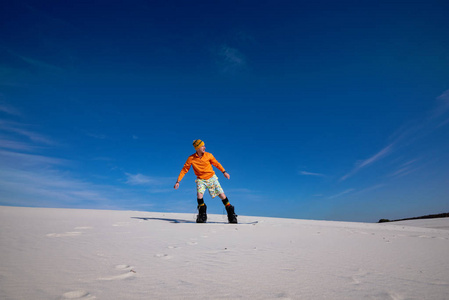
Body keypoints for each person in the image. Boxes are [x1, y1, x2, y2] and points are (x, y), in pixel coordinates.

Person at [174, 139, 237, 223]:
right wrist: (178, 181)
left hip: (211, 178)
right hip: (200, 179)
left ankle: (231, 214)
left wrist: (224, 172)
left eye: (204, 145)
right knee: (199, 195)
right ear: (197, 148)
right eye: (202, 146)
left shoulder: (208, 155)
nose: (204, 147)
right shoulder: (191, 158)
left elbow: (216, 164)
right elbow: (184, 169)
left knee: (222, 195)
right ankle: (202, 215)